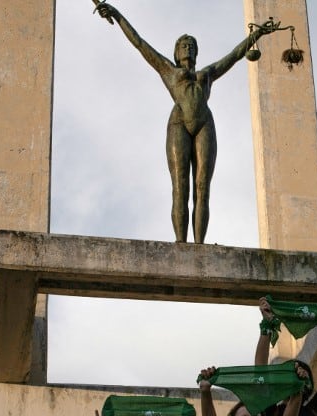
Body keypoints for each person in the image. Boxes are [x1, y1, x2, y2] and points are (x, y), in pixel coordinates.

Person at [94, 3, 277, 243]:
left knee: (202, 187)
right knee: (181, 187)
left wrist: (257, 34)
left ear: (196, 52)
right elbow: (139, 43)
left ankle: (199, 245)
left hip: (204, 123)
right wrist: (117, 15)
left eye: (191, 45)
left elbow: (233, 56)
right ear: (176, 52)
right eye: (183, 45)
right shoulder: (169, 70)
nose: (187, 47)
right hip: (179, 121)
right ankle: (181, 243)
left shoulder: (207, 73)